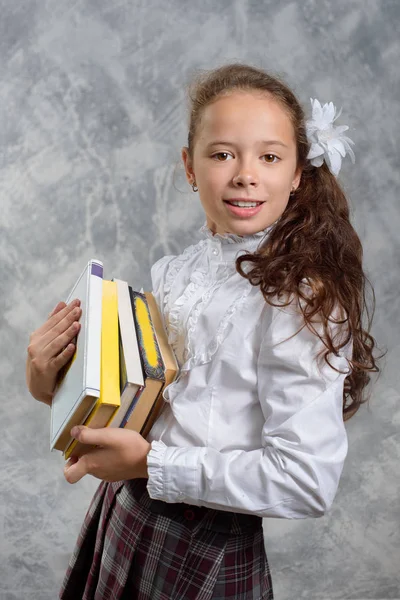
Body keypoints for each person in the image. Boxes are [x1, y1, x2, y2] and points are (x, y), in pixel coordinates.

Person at [26, 63, 380, 600]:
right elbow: (139, 407)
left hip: (206, 545)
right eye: (222, 154)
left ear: (298, 174)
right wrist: (48, 382)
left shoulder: (300, 301)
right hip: (126, 513)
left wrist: (150, 462)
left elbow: (306, 483)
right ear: (190, 167)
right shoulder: (176, 271)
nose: (245, 174)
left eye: (269, 156)